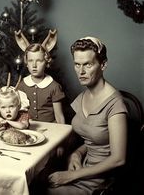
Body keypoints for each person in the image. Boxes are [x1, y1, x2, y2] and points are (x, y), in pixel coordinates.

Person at [47, 37, 128, 195]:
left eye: (88, 65)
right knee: (38, 179)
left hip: (101, 182)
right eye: (77, 64)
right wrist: (76, 154)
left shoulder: (115, 104)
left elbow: (119, 158)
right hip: (83, 168)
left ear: (103, 65)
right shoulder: (84, 96)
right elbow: (96, 138)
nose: (81, 71)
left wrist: (71, 176)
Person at [15, 29, 66, 124]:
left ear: (46, 62)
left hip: (51, 128)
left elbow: (59, 116)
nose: (34, 65)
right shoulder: (22, 85)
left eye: (39, 61)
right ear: (26, 63)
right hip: (28, 127)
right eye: (30, 61)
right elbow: (18, 111)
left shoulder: (54, 86)